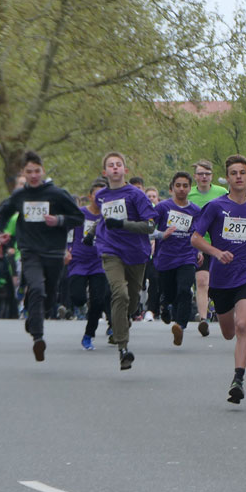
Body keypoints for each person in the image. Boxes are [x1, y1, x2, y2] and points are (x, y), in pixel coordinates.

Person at [191, 155, 246, 403]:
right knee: (229, 332)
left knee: (242, 325)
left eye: (242, 172)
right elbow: (195, 238)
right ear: (227, 179)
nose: (238, 177)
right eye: (233, 173)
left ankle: (238, 380)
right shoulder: (215, 207)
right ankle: (240, 338)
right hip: (221, 276)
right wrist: (216, 252)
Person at [0, 151, 85, 361]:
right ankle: (38, 337)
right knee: (36, 288)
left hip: (54, 252)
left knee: (49, 297)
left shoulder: (57, 194)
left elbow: (78, 217)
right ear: (23, 173)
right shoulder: (19, 195)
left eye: (37, 171)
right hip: (30, 251)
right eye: (29, 172)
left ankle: (33, 317)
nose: (33, 175)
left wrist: (58, 220)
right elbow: (3, 213)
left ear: (43, 171)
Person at [92, 151, 159, 370]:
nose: (114, 167)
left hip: (136, 253)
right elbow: (102, 220)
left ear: (125, 170)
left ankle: (125, 318)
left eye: (118, 164)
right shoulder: (101, 196)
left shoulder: (136, 195)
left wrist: (123, 225)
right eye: (110, 165)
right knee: (119, 293)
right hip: (110, 250)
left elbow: (150, 226)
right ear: (105, 172)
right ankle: (123, 348)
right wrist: (90, 234)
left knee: (131, 301)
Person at [152, 171, 201, 346]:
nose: (181, 189)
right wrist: (161, 234)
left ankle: (180, 325)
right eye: (178, 185)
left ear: (190, 188)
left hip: (187, 256)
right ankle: (165, 304)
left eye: (185, 186)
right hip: (166, 257)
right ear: (171, 188)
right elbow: (148, 228)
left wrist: (200, 250)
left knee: (185, 289)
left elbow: (198, 233)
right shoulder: (162, 207)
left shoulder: (195, 210)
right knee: (170, 293)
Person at [68, 180, 111, 350]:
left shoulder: (108, 216)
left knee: (98, 300)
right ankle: (82, 306)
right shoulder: (80, 214)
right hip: (78, 260)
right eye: (96, 195)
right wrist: (66, 250)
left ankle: (88, 335)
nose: (100, 198)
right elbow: (67, 232)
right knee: (78, 298)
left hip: (99, 262)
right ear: (90, 196)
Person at [189, 159, 229, 336]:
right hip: (200, 244)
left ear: (212, 176)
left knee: (220, 283)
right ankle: (204, 319)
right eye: (200, 174)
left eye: (207, 174)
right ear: (195, 176)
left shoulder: (222, 192)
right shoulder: (190, 195)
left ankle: (223, 313)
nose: (204, 177)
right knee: (202, 281)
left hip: (220, 244)